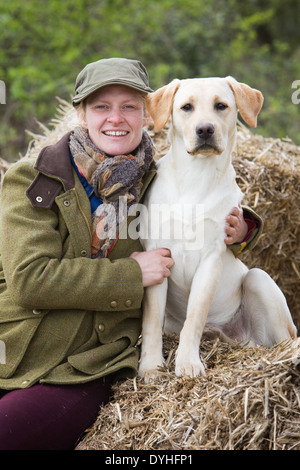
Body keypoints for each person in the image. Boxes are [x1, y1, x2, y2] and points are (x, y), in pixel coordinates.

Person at [0, 58, 262, 450]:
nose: (115, 119)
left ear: (148, 114)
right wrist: (130, 274)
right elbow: (30, 279)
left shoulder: (155, 181)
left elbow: (204, 219)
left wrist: (244, 228)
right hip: (17, 345)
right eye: (101, 107)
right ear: (80, 114)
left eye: (129, 106)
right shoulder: (34, 178)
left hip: (86, 365)